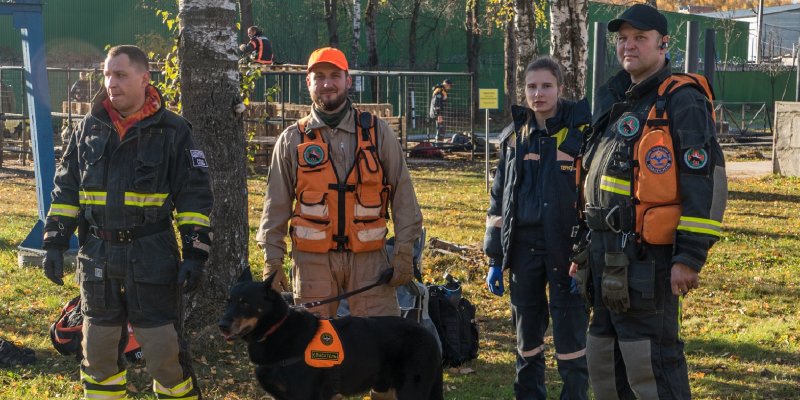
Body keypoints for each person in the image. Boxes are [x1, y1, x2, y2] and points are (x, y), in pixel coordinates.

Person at [569, 4, 727, 399]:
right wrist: (583, 246)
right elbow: (598, 179)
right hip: (603, 257)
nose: (629, 45)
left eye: (640, 38)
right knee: (604, 361)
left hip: (647, 262)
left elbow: (705, 184)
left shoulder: (682, 100)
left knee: (649, 364)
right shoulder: (615, 98)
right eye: (623, 38)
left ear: (663, 44)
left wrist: (688, 257)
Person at [41, 45, 212, 400]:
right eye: (107, 74)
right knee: (98, 351)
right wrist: (54, 243)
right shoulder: (88, 127)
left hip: (152, 256)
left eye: (120, 75)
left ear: (144, 78)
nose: (111, 83)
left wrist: (195, 254)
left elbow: (193, 196)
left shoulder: (173, 130)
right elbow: (67, 189)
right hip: (98, 257)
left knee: (163, 350)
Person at [255, 47, 422, 321]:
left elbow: (404, 196)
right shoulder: (291, 139)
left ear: (348, 80)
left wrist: (405, 252)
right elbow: (275, 207)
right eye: (319, 77)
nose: (327, 84)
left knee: (377, 338)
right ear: (308, 83)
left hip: (369, 261)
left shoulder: (378, 132)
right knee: (315, 339)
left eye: (335, 75)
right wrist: (272, 261)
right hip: (313, 262)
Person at [484, 56, 590, 400]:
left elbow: (592, 198)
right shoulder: (515, 138)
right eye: (531, 87)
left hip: (567, 249)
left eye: (546, 86)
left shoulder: (581, 133)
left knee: (571, 339)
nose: (538, 94)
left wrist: (586, 254)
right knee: (527, 339)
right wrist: (495, 258)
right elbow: (499, 201)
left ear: (561, 88)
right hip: (524, 249)